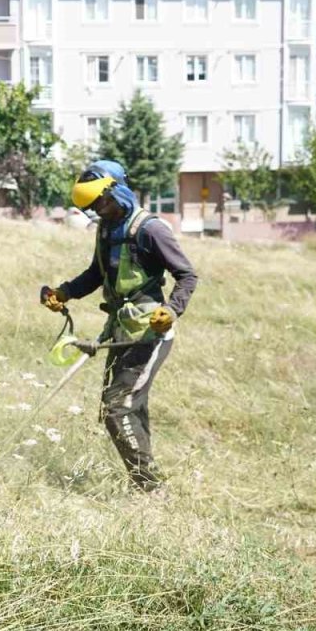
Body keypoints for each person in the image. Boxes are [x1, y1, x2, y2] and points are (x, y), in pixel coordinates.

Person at [40, 160, 198, 492]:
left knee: (117, 407)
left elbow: (187, 276)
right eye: (92, 207)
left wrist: (172, 309)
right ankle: (149, 487)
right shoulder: (107, 229)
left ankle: (151, 489)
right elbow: (96, 275)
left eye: (102, 202)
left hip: (150, 333)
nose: (100, 210)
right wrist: (64, 292)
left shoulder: (151, 229)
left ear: (119, 191)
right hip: (119, 331)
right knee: (128, 407)